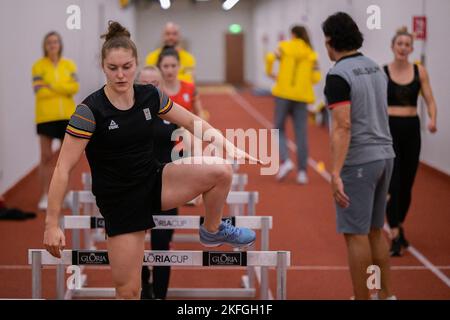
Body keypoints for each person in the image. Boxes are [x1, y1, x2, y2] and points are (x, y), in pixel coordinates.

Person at [43, 21, 259, 299]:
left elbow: (192, 121)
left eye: (127, 67)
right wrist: (51, 223)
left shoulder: (150, 96)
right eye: (113, 68)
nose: (121, 75)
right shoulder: (89, 111)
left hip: (153, 180)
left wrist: (229, 145)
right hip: (120, 202)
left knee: (221, 170)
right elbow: (63, 168)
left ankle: (212, 229)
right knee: (129, 291)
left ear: (136, 64)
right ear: (103, 67)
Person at [322, 12, 396, 300]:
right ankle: (386, 295)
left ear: (330, 41)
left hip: (360, 161)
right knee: (376, 230)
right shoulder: (376, 68)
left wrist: (336, 172)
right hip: (385, 156)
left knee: (356, 234)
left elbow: (343, 125)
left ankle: (363, 297)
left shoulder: (338, 74)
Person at [384, 27, 438, 256]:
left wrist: (433, 119)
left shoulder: (420, 71)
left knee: (406, 185)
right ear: (393, 46)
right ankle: (395, 233)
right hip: (389, 131)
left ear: (412, 49)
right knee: (392, 185)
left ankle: (399, 224)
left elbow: (430, 100)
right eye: (400, 44)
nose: (403, 48)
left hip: (411, 129)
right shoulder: (382, 72)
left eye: (407, 44)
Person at [136, 66, 178, 300]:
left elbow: (182, 152)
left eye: (155, 84)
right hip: (137, 192)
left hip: (167, 191)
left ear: (161, 86)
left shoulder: (171, 115)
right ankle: (144, 285)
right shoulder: (128, 115)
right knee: (134, 247)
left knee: (162, 248)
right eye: (145, 84)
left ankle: (160, 295)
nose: (150, 88)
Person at [265, 25, 321, 184]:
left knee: (278, 129)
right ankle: (302, 172)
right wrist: (303, 81)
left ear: (293, 34)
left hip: (283, 93)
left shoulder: (284, 47)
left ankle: (286, 160)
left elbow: (270, 58)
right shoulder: (312, 54)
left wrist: (271, 73)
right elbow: (316, 77)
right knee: (301, 134)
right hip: (302, 97)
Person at [32, 31, 79, 210]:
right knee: (45, 157)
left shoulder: (69, 65)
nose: (53, 45)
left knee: (66, 158)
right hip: (45, 116)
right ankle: (45, 194)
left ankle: (65, 194)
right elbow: (39, 90)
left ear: (60, 44)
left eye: (56, 42)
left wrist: (51, 85)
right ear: (45, 45)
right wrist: (62, 88)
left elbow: (74, 87)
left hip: (67, 116)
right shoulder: (38, 66)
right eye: (49, 42)